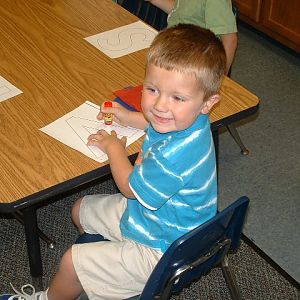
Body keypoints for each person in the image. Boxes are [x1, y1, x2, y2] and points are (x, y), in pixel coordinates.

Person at [0, 23, 226, 300]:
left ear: (207, 103)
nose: (160, 106)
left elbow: (129, 188)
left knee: (71, 261)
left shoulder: (176, 155)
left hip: (163, 250)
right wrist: (126, 116)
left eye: (177, 97)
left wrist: (113, 148)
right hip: (156, 220)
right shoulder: (190, 120)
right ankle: (102, 277)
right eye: (152, 89)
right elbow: (155, 121)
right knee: (80, 209)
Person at [146, 0, 238, 74]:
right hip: (175, 48)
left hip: (194, 60)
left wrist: (221, 77)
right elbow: (181, 12)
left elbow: (230, 39)